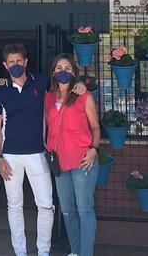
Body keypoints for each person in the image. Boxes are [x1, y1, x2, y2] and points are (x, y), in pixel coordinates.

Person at [0, 44, 86, 256]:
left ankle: (43, 251)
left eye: (19, 61)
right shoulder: (0, 90)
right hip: (10, 157)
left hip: (38, 154)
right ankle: (20, 252)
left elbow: (64, 83)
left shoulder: (42, 82)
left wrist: (79, 83)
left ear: (25, 62)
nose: (16, 65)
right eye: (11, 62)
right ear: (5, 65)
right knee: (14, 206)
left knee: (45, 205)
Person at [45, 54, 101, 256]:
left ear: (74, 72)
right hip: (59, 162)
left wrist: (94, 148)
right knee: (67, 210)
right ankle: (76, 251)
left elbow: (95, 126)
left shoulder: (83, 96)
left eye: (67, 68)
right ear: (53, 72)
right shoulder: (49, 98)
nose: (63, 71)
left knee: (84, 209)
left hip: (82, 161)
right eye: (59, 67)